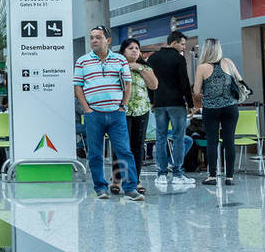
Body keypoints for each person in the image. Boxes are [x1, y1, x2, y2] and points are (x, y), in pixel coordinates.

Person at [74, 25, 143, 201]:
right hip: (93, 114)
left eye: (98, 37)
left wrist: (122, 106)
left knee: (124, 151)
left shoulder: (120, 60)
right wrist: (87, 110)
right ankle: (100, 188)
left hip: (116, 114)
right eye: (92, 37)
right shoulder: (82, 61)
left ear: (108, 40)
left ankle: (130, 188)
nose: (94, 40)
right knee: (95, 153)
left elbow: (127, 85)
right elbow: (78, 87)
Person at [147, 30, 196, 189]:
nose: (183, 47)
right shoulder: (178, 58)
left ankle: (161, 174)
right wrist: (190, 103)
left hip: (160, 103)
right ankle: (177, 174)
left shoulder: (153, 58)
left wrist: (152, 101)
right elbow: (184, 82)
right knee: (178, 138)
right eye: (182, 44)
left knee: (160, 138)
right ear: (173, 42)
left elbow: (150, 82)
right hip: (176, 104)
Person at [192, 38, 244, 187]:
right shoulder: (228, 62)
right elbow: (240, 81)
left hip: (211, 109)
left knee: (212, 142)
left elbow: (196, 91)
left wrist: (205, 90)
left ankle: (212, 176)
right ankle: (229, 177)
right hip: (230, 108)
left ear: (205, 50)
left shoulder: (202, 67)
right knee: (229, 141)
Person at [118, 38, 158, 195]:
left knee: (137, 146)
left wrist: (139, 68)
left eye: (137, 48)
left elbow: (154, 85)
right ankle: (119, 178)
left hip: (141, 111)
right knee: (122, 146)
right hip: (123, 110)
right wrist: (128, 67)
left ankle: (136, 180)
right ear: (123, 52)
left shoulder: (145, 67)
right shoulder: (118, 66)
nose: (134, 51)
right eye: (130, 48)